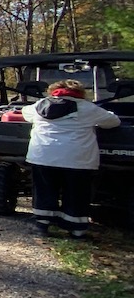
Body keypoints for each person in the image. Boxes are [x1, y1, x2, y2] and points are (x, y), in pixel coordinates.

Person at [22, 78, 120, 238]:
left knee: (44, 190)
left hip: (43, 155)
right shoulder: (88, 108)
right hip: (77, 158)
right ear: (80, 93)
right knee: (77, 193)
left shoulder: (39, 106)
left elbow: (25, 113)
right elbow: (113, 122)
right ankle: (77, 230)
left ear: (54, 91)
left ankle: (42, 225)